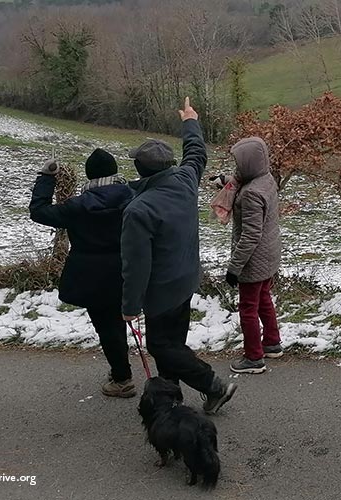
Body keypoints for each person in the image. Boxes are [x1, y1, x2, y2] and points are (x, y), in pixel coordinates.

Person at [121, 97, 237, 415]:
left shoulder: (138, 210)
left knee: (161, 346)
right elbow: (196, 152)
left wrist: (130, 306)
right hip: (186, 279)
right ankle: (170, 398)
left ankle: (215, 386)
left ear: (140, 169)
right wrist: (190, 120)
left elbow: (136, 265)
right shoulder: (185, 181)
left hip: (161, 291)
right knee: (172, 343)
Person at [29, 149, 136, 398]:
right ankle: (122, 371)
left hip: (90, 277)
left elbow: (38, 211)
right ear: (114, 173)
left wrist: (46, 177)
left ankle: (122, 378)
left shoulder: (76, 207)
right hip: (127, 272)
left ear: (89, 176)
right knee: (117, 322)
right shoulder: (132, 199)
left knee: (106, 325)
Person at [214, 137, 283, 375]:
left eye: (239, 163)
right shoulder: (266, 179)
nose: (236, 168)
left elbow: (251, 235)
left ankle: (254, 357)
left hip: (253, 260)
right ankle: (272, 342)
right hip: (269, 255)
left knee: (247, 308)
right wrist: (225, 181)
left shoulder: (252, 194)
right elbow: (242, 180)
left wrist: (234, 268)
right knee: (264, 297)